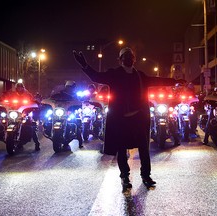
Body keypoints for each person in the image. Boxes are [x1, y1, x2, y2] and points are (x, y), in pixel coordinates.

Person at [74, 47, 185, 191]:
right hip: (121, 119)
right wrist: (85, 65)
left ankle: (146, 175)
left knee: (144, 148)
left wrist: (174, 81)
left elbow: (156, 80)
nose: (128, 58)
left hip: (139, 118)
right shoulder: (114, 74)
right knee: (121, 148)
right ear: (120, 60)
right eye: (125, 56)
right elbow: (96, 77)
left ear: (134, 59)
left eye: (130, 56)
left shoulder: (140, 76)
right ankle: (125, 177)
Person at [5, 82, 41, 151]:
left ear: (23, 87)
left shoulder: (27, 94)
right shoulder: (12, 94)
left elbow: (33, 100)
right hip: (14, 113)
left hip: (25, 113)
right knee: (5, 121)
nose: (19, 88)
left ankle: (37, 143)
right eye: (18, 87)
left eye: (21, 87)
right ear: (16, 88)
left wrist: (36, 102)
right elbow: (7, 100)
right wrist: (4, 101)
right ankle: (6, 137)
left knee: (31, 126)